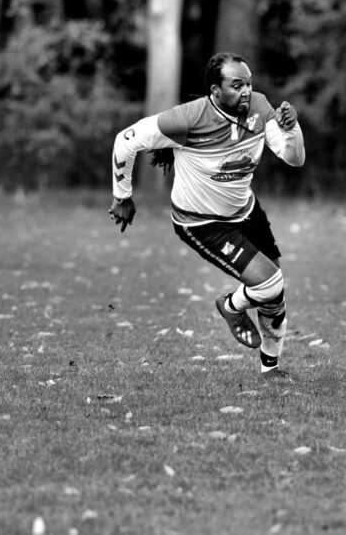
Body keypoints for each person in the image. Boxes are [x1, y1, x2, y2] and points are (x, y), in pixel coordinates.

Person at [108, 52, 305, 380]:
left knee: (273, 292)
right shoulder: (187, 118)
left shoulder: (259, 106)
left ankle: (270, 370)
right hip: (202, 223)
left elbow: (293, 158)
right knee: (269, 283)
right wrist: (122, 195)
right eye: (237, 85)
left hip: (246, 212)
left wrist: (292, 128)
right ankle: (230, 306)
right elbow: (125, 141)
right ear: (215, 90)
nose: (247, 91)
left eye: (249, 83)